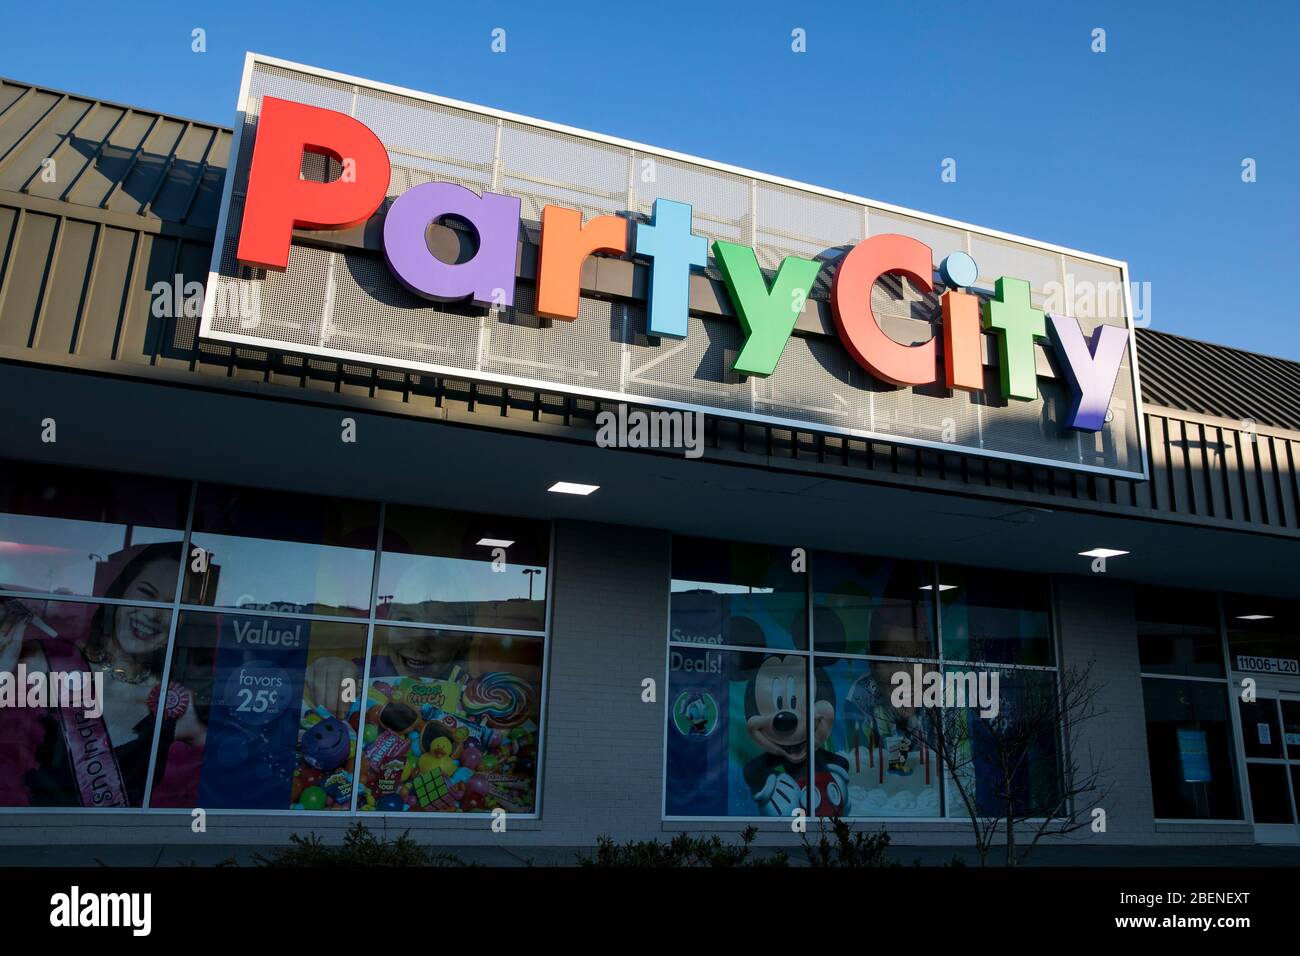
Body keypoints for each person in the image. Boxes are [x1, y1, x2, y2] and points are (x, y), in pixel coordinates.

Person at [0, 542, 205, 807]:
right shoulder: (42, 662)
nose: (154, 615)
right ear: (121, 593)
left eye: (172, 606)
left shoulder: (178, 706)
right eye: (146, 593)